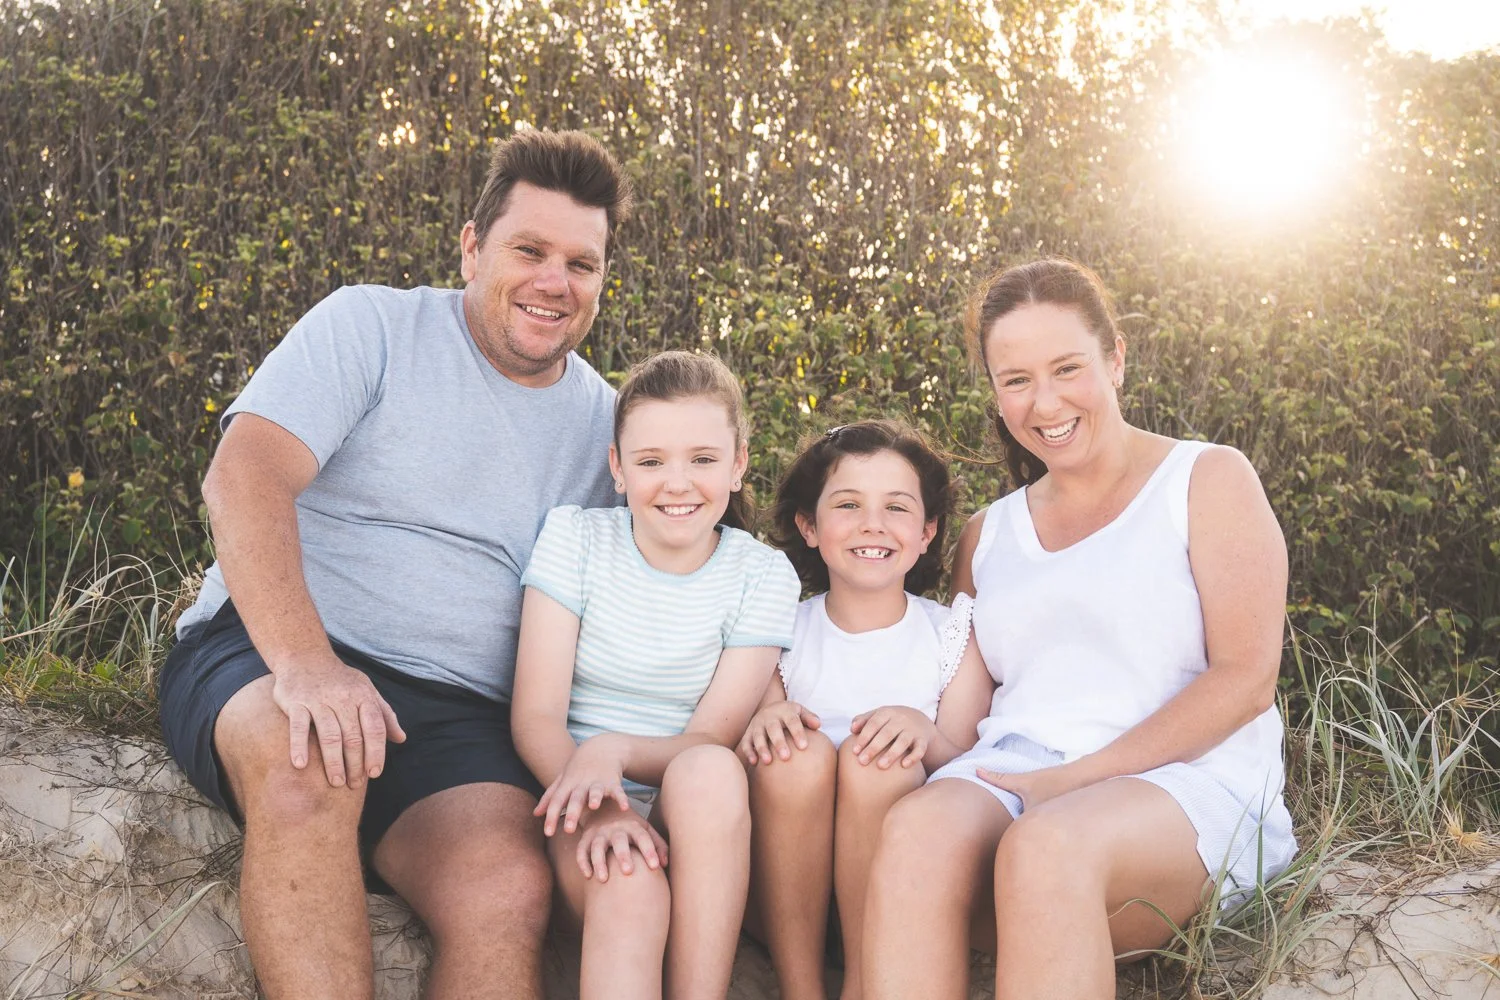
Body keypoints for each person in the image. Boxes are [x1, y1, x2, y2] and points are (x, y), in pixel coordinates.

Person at [157, 129, 633, 1000]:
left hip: (456, 718)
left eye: (582, 262)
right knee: (308, 765)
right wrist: (308, 666)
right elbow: (244, 475)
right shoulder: (370, 324)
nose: (554, 282)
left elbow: (658, 588)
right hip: (271, 650)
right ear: (471, 246)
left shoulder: (611, 429)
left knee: (506, 887)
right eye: (529, 249)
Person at [862, 259, 1298, 1000]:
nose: (1046, 401)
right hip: (1018, 771)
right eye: (1017, 379)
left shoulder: (1206, 479)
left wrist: (1076, 781)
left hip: (1181, 783)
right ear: (996, 393)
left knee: (1046, 847)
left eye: (1067, 368)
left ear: (1115, 358)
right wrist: (905, 730)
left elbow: (1247, 680)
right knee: (914, 834)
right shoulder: (986, 536)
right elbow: (964, 726)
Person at [510, 350, 801, 1000]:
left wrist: (615, 751)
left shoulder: (760, 574)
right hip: (573, 793)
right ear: (617, 468)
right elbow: (535, 716)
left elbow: (709, 738)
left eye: (702, 459)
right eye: (651, 461)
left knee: (713, 770)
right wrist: (600, 809)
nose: (678, 483)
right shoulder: (575, 539)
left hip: (690, 807)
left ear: (738, 463)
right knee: (628, 885)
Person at [737, 420, 992, 1000]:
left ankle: (862, 983)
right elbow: (745, 742)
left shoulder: (951, 634)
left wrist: (924, 732)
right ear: (809, 525)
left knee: (881, 760)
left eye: (897, 508)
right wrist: (761, 722)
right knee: (790, 754)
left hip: (897, 890)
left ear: (928, 531)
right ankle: (801, 987)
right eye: (848, 504)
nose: (872, 524)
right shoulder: (779, 633)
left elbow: (966, 764)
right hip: (779, 887)